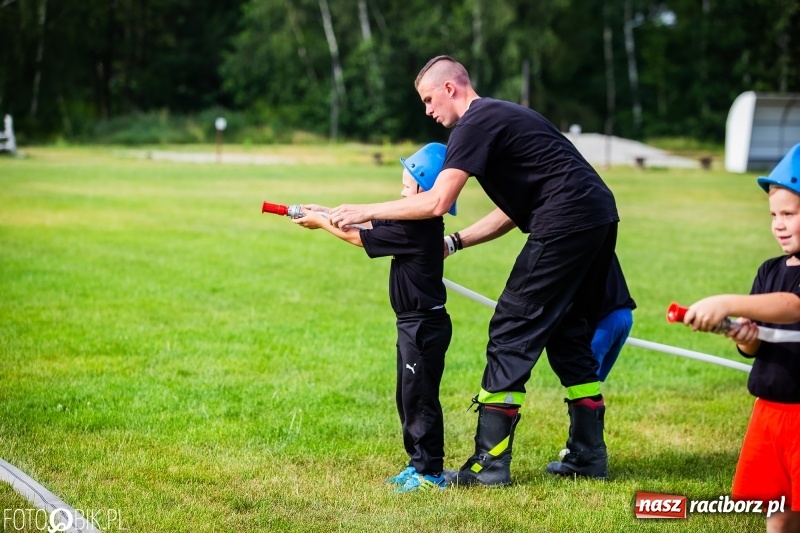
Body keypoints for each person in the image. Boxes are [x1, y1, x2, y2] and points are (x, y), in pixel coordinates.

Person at [329, 55, 619, 485]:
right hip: (597, 216)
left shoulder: (474, 122)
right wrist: (456, 241)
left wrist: (363, 209)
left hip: (567, 222)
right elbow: (513, 209)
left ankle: (489, 465)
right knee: (565, 330)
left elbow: (436, 202)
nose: (428, 111)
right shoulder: (505, 116)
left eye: (429, 99)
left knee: (511, 327)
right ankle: (587, 456)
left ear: (451, 89)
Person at [292, 143, 456, 493]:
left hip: (424, 326)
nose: (400, 193)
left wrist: (321, 223)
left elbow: (356, 237)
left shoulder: (418, 227)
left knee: (421, 398)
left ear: (425, 191)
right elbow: (366, 220)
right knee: (408, 396)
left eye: (406, 186)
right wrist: (324, 209)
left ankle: (430, 473)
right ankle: (417, 465)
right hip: (412, 325)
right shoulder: (409, 219)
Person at [678, 144, 800, 533]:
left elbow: (792, 307)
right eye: (774, 215)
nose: (778, 224)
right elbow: (753, 345)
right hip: (769, 411)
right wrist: (741, 332)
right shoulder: (769, 270)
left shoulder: (782, 291)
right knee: (778, 509)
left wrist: (726, 300)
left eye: (790, 214)